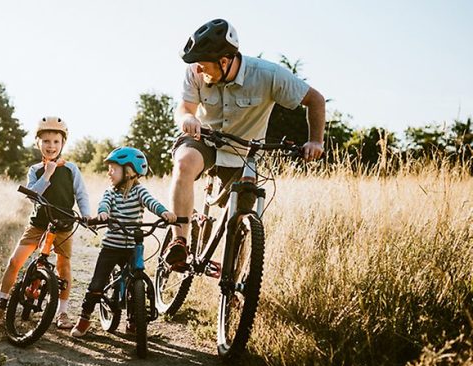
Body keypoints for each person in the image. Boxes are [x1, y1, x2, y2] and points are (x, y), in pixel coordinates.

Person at [163, 19, 326, 268]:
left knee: (241, 217)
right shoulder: (195, 71)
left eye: (203, 65)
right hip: (204, 139)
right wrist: (187, 117)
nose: (197, 70)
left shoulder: (268, 75)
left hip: (244, 152)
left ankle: (232, 282)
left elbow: (315, 100)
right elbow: (185, 107)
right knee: (184, 162)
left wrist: (315, 141)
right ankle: (179, 242)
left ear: (225, 61)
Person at [0, 117, 92, 329]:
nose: (51, 146)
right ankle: (0, 303)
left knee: (63, 266)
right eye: (46, 141)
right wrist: (48, 174)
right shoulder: (35, 170)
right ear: (38, 143)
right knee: (15, 261)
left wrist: (86, 215)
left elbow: (81, 194)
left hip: (63, 224)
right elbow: (33, 195)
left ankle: (62, 312)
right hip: (38, 223)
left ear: (62, 144)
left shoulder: (71, 169)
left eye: (56, 142)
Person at [70, 147, 177, 337]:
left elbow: (151, 202)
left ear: (129, 171)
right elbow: (105, 203)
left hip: (133, 247)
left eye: (113, 169)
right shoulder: (111, 193)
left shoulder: (139, 191)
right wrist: (103, 213)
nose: (109, 173)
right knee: (97, 284)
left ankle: (134, 321)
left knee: (136, 283)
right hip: (111, 246)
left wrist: (164, 213)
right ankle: (84, 319)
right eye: (109, 169)